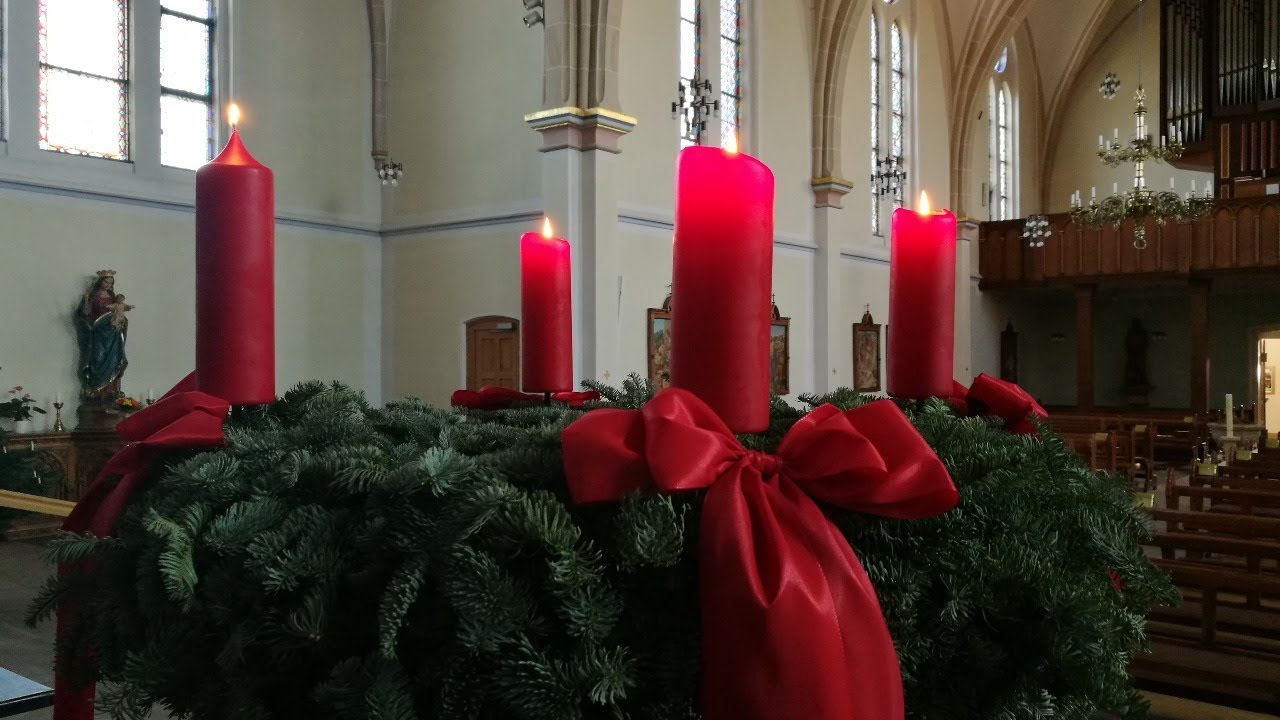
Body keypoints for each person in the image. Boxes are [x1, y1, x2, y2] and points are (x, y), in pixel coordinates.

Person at [76, 272, 133, 402]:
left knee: (114, 360)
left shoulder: (113, 298)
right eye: (106, 282)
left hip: (112, 334)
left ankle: (110, 391)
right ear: (100, 282)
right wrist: (86, 301)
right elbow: (85, 314)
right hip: (98, 332)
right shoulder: (92, 296)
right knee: (97, 358)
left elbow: (119, 312)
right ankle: (96, 391)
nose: (108, 285)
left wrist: (121, 321)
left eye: (110, 283)